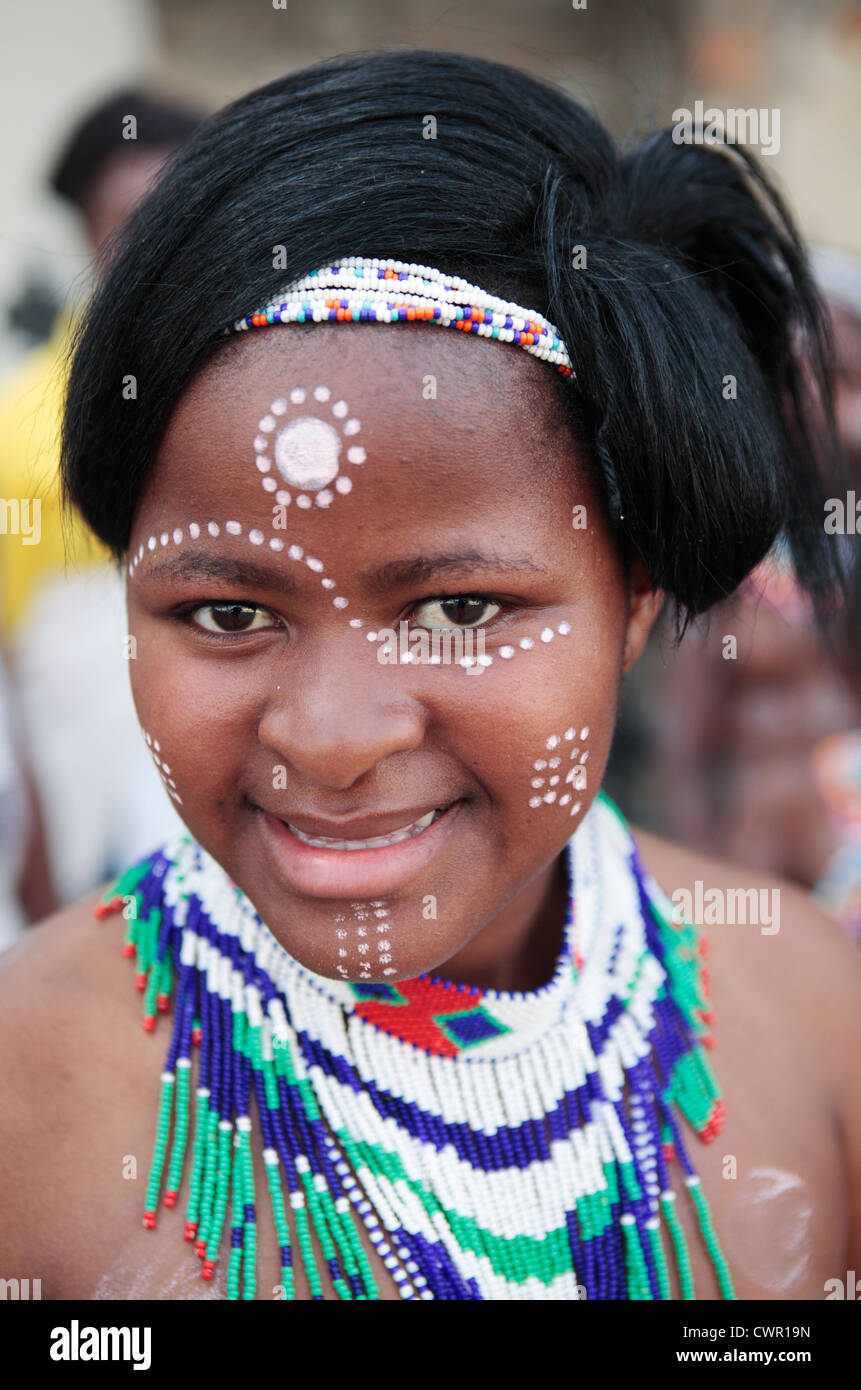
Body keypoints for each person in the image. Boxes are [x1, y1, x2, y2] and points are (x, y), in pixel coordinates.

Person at [1, 48, 859, 1302]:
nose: (333, 734)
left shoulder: (811, 1009)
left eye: (462, 608)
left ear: (637, 599)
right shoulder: (28, 1091)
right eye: (229, 610)